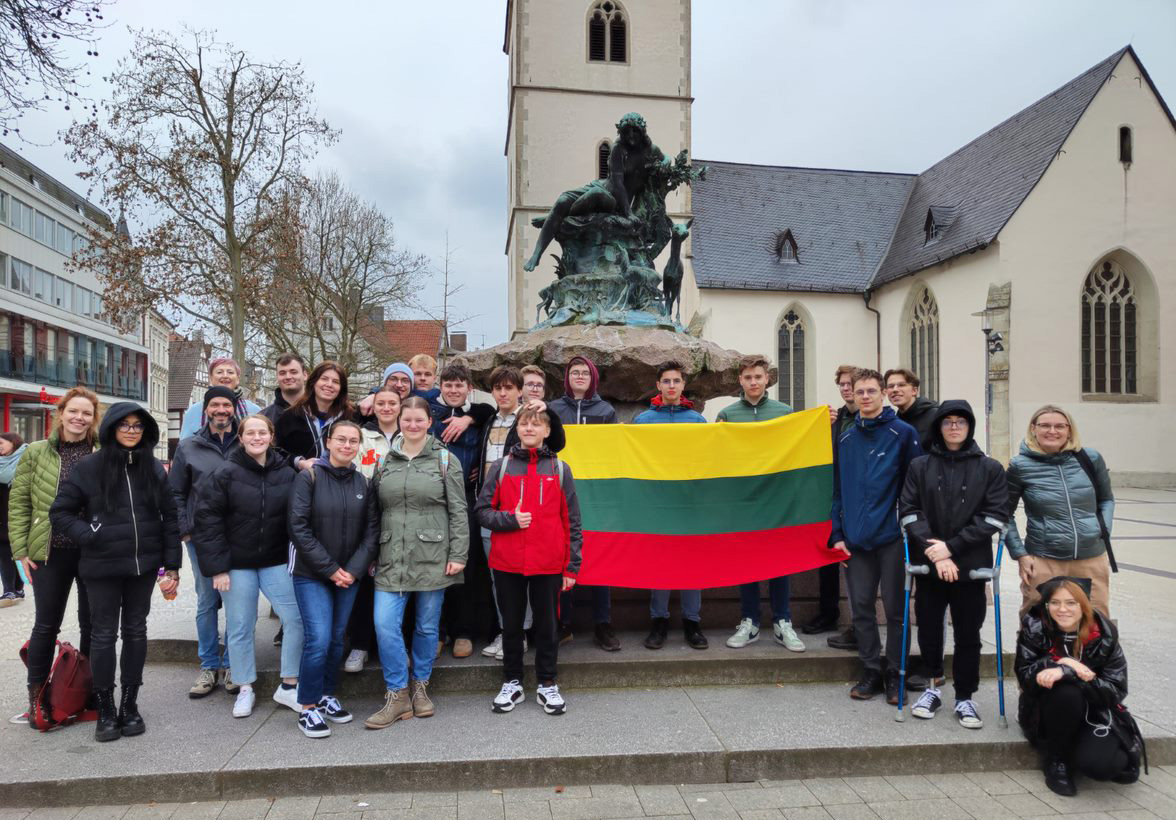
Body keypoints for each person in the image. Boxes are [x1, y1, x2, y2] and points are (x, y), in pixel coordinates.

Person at [49, 404, 181, 742]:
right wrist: (90, 534)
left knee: (136, 631)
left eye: (138, 426)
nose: (131, 431)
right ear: (111, 428)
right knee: (104, 634)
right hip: (102, 566)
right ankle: (105, 707)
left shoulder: (153, 468)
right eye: (124, 425)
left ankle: (130, 704)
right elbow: (61, 512)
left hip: (143, 566)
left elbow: (170, 517)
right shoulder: (90, 467)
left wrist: (173, 566)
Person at [899, 400, 1009, 728]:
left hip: (970, 566)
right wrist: (936, 552)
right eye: (948, 422)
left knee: (968, 634)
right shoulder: (920, 466)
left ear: (970, 426)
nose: (954, 427)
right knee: (930, 631)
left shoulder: (989, 468)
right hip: (930, 565)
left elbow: (994, 516)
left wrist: (950, 549)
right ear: (939, 427)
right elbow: (909, 510)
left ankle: (965, 697)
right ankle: (933, 687)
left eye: (961, 421)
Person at [364, 397, 469, 728]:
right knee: (384, 623)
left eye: (418, 420)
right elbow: (374, 512)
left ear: (429, 422)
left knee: (426, 626)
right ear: (399, 421)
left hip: (433, 556)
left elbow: (458, 510)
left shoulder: (444, 460)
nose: (411, 425)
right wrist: (370, 554)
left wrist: (458, 554)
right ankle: (398, 693)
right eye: (406, 419)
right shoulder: (384, 462)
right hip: (391, 554)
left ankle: (420, 686)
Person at [192, 414, 304, 719]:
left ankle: (290, 684)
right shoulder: (225, 473)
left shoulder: (287, 474)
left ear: (271, 437)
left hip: (275, 561)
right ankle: (244, 688)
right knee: (240, 626)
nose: (257, 437)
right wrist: (217, 568)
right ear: (240, 438)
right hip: (236, 565)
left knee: (296, 619)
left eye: (262, 432)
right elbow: (207, 521)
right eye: (250, 433)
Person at [476, 405, 582, 715]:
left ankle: (547, 683)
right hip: (508, 562)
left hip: (549, 563)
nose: (529, 429)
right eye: (524, 423)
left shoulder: (560, 469)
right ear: (517, 429)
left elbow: (572, 521)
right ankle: (512, 682)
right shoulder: (501, 466)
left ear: (548, 431)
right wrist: (509, 519)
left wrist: (571, 566)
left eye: (537, 424)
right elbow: (482, 511)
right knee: (511, 626)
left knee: (548, 627)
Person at [9, 387, 100, 728]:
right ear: (60, 413)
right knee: (46, 624)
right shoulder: (35, 453)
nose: (79, 418)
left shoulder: (101, 452)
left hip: (92, 551)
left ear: (93, 419)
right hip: (49, 551)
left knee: (94, 623)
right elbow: (19, 502)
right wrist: (20, 549)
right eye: (73, 411)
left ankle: (89, 692)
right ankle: (37, 699)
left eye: (86, 413)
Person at [831, 368, 922, 704]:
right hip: (855, 539)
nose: (865, 397)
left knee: (897, 611)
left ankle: (895, 673)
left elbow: (917, 487)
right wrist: (837, 532)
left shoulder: (904, 433)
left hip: (892, 538)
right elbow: (837, 489)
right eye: (860, 392)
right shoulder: (846, 436)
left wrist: (910, 528)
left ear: (883, 393)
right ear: (852, 396)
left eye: (871, 391)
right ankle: (870, 668)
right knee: (862, 608)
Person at [287, 419, 378, 738]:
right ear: (328, 442)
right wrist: (330, 568)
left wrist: (351, 570)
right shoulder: (309, 476)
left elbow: (371, 533)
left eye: (354, 441)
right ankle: (307, 706)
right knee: (319, 638)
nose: (347, 445)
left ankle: (326, 694)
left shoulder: (363, 483)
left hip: (348, 575)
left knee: (338, 638)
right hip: (312, 573)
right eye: (341, 439)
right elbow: (298, 528)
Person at [1015, 577, 1138, 796]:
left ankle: (1080, 748)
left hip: (1095, 710)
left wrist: (1068, 670)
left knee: (1104, 767)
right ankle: (1056, 760)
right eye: (1055, 603)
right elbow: (1025, 678)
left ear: (1084, 605)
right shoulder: (1035, 627)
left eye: (1071, 603)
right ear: (1046, 606)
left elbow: (1116, 690)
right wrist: (1062, 663)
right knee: (1066, 692)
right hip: (1048, 712)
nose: (1062, 609)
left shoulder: (1104, 633)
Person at [475, 365, 566, 660]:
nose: (503, 393)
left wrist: (548, 411)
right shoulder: (488, 420)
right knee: (498, 579)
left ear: (520, 391)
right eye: (497, 388)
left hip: (525, 515)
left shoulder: (530, 419)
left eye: (508, 388)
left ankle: (521, 634)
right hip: (493, 510)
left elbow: (557, 442)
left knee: (529, 580)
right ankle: (508, 632)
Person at [718, 355, 805, 653]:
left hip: (776, 500)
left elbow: (797, 450)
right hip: (744, 500)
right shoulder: (727, 415)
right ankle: (750, 621)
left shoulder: (785, 412)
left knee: (780, 560)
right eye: (748, 378)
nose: (753, 382)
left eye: (758, 377)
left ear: (767, 378)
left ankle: (783, 622)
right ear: (740, 381)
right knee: (748, 561)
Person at [1006, 405, 1114, 619]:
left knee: (1095, 622)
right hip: (1044, 559)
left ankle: (1087, 655)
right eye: (1045, 425)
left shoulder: (1090, 459)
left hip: (1090, 557)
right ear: (1033, 429)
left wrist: (1101, 530)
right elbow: (1003, 513)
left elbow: (1106, 499)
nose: (1052, 431)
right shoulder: (1020, 466)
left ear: (1069, 430)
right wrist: (1020, 554)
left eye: (1059, 426)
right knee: (1038, 622)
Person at [169, 387, 241, 698]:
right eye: (215, 404)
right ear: (206, 409)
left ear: (234, 409)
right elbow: (175, 493)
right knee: (207, 601)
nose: (221, 410)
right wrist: (184, 529)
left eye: (227, 404)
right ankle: (210, 665)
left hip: (240, 536)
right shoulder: (188, 447)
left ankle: (236, 666)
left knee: (238, 602)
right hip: (200, 537)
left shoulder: (247, 442)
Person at [634, 361, 708, 650]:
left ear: (683, 385)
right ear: (658, 385)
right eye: (666, 381)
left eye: (676, 381)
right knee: (660, 563)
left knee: (692, 563)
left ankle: (693, 622)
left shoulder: (697, 420)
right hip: (658, 503)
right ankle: (659, 621)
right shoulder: (643, 421)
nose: (672, 386)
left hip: (689, 502)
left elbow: (706, 460)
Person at [548, 356, 620, 651]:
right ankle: (563, 624)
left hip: (597, 495)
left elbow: (615, 450)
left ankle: (603, 623)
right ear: (567, 378)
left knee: (599, 559)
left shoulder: (606, 411)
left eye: (584, 373)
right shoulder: (554, 409)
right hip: (559, 495)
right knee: (563, 558)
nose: (579, 376)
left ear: (593, 379)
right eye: (574, 372)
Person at [431, 362, 496, 659]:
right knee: (434, 565)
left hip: (468, 499)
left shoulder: (480, 415)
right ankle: (438, 630)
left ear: (469, 388)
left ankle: (463, 631)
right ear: (440, 386)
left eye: (459, 385)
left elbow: (491, 412)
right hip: (433, 499)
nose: (454, 390)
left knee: (465, 565)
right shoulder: (429, 412)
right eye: (448, 385)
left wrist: (469, 418)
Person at [343, 385, 402, 674]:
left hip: (401, 521)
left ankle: (396, 646)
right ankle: (360, 645)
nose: (387, 408)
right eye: (382, 403)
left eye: (393, 403)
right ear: (374, 405)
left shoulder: (411, 435)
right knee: (363, 583)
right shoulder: (363, 436)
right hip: (365, 518)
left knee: (399, 584)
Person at [811, 365, 859, 650]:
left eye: (850, 383)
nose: (846, 388)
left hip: (862, 502)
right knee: (828, 556)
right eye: (842, 384)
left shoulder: (869, 418)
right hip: (836, 497)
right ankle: (828, 613)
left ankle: (858, 624)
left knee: (858, 565)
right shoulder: (836, 418)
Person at [276, 361, 354, 471]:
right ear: (313, 382)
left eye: (336, 382)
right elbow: (276, 451)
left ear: (341, 388)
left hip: (341, 483)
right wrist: (299, 462)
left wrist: (372, 396)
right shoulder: (290, 416)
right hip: (302, 482)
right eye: (324, 379)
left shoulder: (351, 416)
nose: (329, 384)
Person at [179, 357, 261, 440]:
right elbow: (185, 447)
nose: (225, 376)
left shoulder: (254, 410)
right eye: (219, 372)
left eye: (230, 372)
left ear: (238, 379)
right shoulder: (194, 411)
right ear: (210, 378)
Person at [0, 432, 29, 606]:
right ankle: (9, 590)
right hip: (1, 515)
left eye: (2, 443)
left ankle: (17, 588)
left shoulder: (26, 460)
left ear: (14, 443)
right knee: (4, 552)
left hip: (19, 513)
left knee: (18, 552)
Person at [884, 368, 939, 450]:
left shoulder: (935, 415)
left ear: (914, 390)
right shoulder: (894, 421)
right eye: (891, 386)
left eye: (901, 385)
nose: (895, 390)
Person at [261, 353, 309, 425]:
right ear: (277, 377)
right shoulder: (264, 419)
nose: (288, 377)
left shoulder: (321, 412)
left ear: (305, 375)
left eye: (293, 372)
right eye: (282, 373)